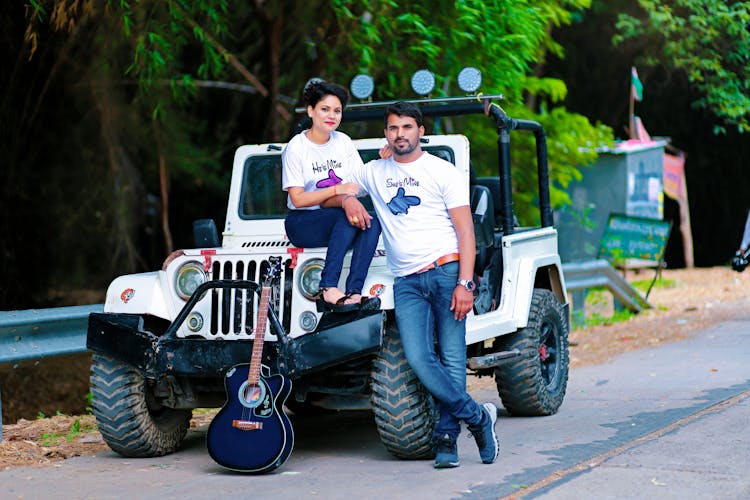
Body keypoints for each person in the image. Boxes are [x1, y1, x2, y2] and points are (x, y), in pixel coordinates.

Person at [348, 101, 500, 468]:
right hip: (407, 282)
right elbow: (338, 186)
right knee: (418, 357)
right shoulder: (373, 171)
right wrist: (350, 198)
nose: (399, 134)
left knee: (452, 358)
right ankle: (478, 418)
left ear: (420, 131)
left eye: (406, 127)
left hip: (446, 273)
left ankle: (446, 439)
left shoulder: (442, 171)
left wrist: (466, 282)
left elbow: (466, 232)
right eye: (392, 128)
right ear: (385, 133)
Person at [281, 81, 381, 312]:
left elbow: (360, 183)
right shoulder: (297, 147)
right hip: (302, 222)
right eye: (324, 109)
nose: (331, 116)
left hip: (335, 217)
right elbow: (298, 198)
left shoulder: (343, 141)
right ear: (311, 111)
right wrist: (339, 192)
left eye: (337, 111)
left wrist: (383, 161)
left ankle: (354, 291)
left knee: (372, 222)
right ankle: (328, 288)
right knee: (347, 217)